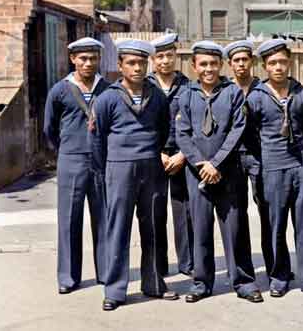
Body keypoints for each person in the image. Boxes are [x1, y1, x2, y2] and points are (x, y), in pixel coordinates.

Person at [92, 39, 179, 311]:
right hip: (119, 168)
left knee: (153, 225)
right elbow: (97, 139)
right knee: (118, 228)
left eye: (142, 62)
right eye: (131, 63)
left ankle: (154, 283)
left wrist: (159, 152)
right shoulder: (107, 98)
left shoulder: (157, 96)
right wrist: (107, 169)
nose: (138, 68)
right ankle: (115, 290)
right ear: (120, 66)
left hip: (152, 168)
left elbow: (166, 129)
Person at [176, 40, 263, 303]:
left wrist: (217, 163)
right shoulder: (186, 95)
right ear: (194, 66)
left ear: (221, 65)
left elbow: (237, 130)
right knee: (200, 228)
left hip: (229, 173)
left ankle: (244, 281)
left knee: (235, 227)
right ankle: (202, 282)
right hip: (198, 173)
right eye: (203, 64)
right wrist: (202, 164)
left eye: (214, 63)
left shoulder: (233, 93)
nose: (209, 69)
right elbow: (182, 133)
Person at [246, 39, 303, 299]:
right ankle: (279, 276)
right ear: (264, 66)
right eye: (272, 63)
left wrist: (302, 154)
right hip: (271, 166)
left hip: (300, 164)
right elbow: (250, 136)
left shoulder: (301, 92)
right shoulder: (256, 97)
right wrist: (261, 164)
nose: (278, 67)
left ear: (289, 62)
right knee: (274, 224)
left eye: (282, 62)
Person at [44, 37, 110, 295]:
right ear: (73, 59)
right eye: (83, 58)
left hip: (101, 160)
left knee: (104, 216)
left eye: (93, 58)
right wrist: (65, 150)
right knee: (69, 218)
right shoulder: (60, 90)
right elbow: (49, 128)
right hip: (70, 159)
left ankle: (106, 272)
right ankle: (68, 277)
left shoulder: (107, 88)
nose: (88, 63)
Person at [224, 40, 273, 277]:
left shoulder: (263, 89)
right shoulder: (225, 90)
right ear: (230, 64)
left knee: (267, 210)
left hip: (259, 156)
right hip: (232, 159)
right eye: (236, 61)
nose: (241, 64)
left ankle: (275, 266)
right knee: (237, 213)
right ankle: (243, 270)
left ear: (252, 62)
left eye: (245, 59)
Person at [148, 33, 194, 276]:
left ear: (176, 56)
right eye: (160, 57)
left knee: (184, 212)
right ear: (153, 60)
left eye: (169, 55)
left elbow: (195, 125)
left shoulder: (188, 86)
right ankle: (158, 265)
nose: (165, 61)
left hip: (181, 157)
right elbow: (141, 126)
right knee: (155, 211)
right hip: (154, 156)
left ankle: (188, 264)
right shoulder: (145, 87)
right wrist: (157, 153)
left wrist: (184, 154)